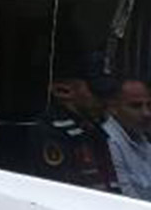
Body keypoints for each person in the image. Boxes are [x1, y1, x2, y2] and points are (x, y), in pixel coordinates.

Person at [29, 53, 118, 191]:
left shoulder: (95, 131)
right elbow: (60, 193)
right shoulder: (51, 133)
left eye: (109, 93)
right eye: (98, 92)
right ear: (63, 91)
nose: (106, 101)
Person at [102, 79, 151, 206]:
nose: (146, 113)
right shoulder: (106, 144)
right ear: (113, 108)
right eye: (136, 106)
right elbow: (124, 203)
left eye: (148, 105)